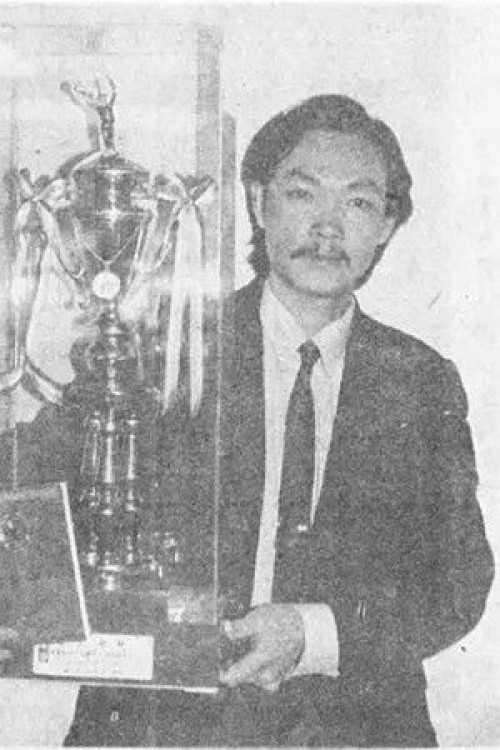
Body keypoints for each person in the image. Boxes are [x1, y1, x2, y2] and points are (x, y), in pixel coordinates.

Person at [3, 94, 495, 746]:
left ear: (386, 226)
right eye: (302, 193)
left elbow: (457, 582)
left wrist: (312, 633)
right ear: (259, 203)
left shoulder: (420, 381)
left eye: (357, 203)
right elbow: (30, 482)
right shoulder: (164, 348)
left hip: (356, 730)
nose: (328, 226)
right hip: (164, 729)